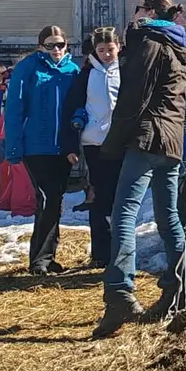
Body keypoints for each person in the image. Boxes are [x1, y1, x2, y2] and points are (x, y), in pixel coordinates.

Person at [94, 0, 186, 336]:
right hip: (172, 142)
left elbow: (133, 96)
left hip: (148, 138)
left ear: (149, 12)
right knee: (169, 216)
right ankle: (177, 288)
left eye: (136, 9)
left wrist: (114, 142)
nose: (132, 15)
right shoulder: (179, 47)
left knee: (123, 214)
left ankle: (120, 292)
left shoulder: (151, 42)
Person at [3, 25, 80, 275]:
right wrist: (13, 146)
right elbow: (14, 109)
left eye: (60, 45)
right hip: (36, 146)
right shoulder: (28, 69)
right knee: (46, 199)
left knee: (56, 201)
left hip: (63, 148)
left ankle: (48, 256)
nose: (56, 50)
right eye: (50, 45)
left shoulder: (73, 70)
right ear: (41, 46)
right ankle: (39, 260)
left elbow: (79, 104)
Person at [61, 27, 123, 268]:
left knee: (122, 196)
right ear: (94, 52)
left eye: (110, 49)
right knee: (99, 197)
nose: (107, 54)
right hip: (94, 142)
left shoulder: (125, 72)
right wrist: (70, 145)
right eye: (101, 50)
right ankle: (101, 253)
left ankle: (121, 251)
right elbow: (71, 107)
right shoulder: (86, 74)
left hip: (120, 141)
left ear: (118, 48)